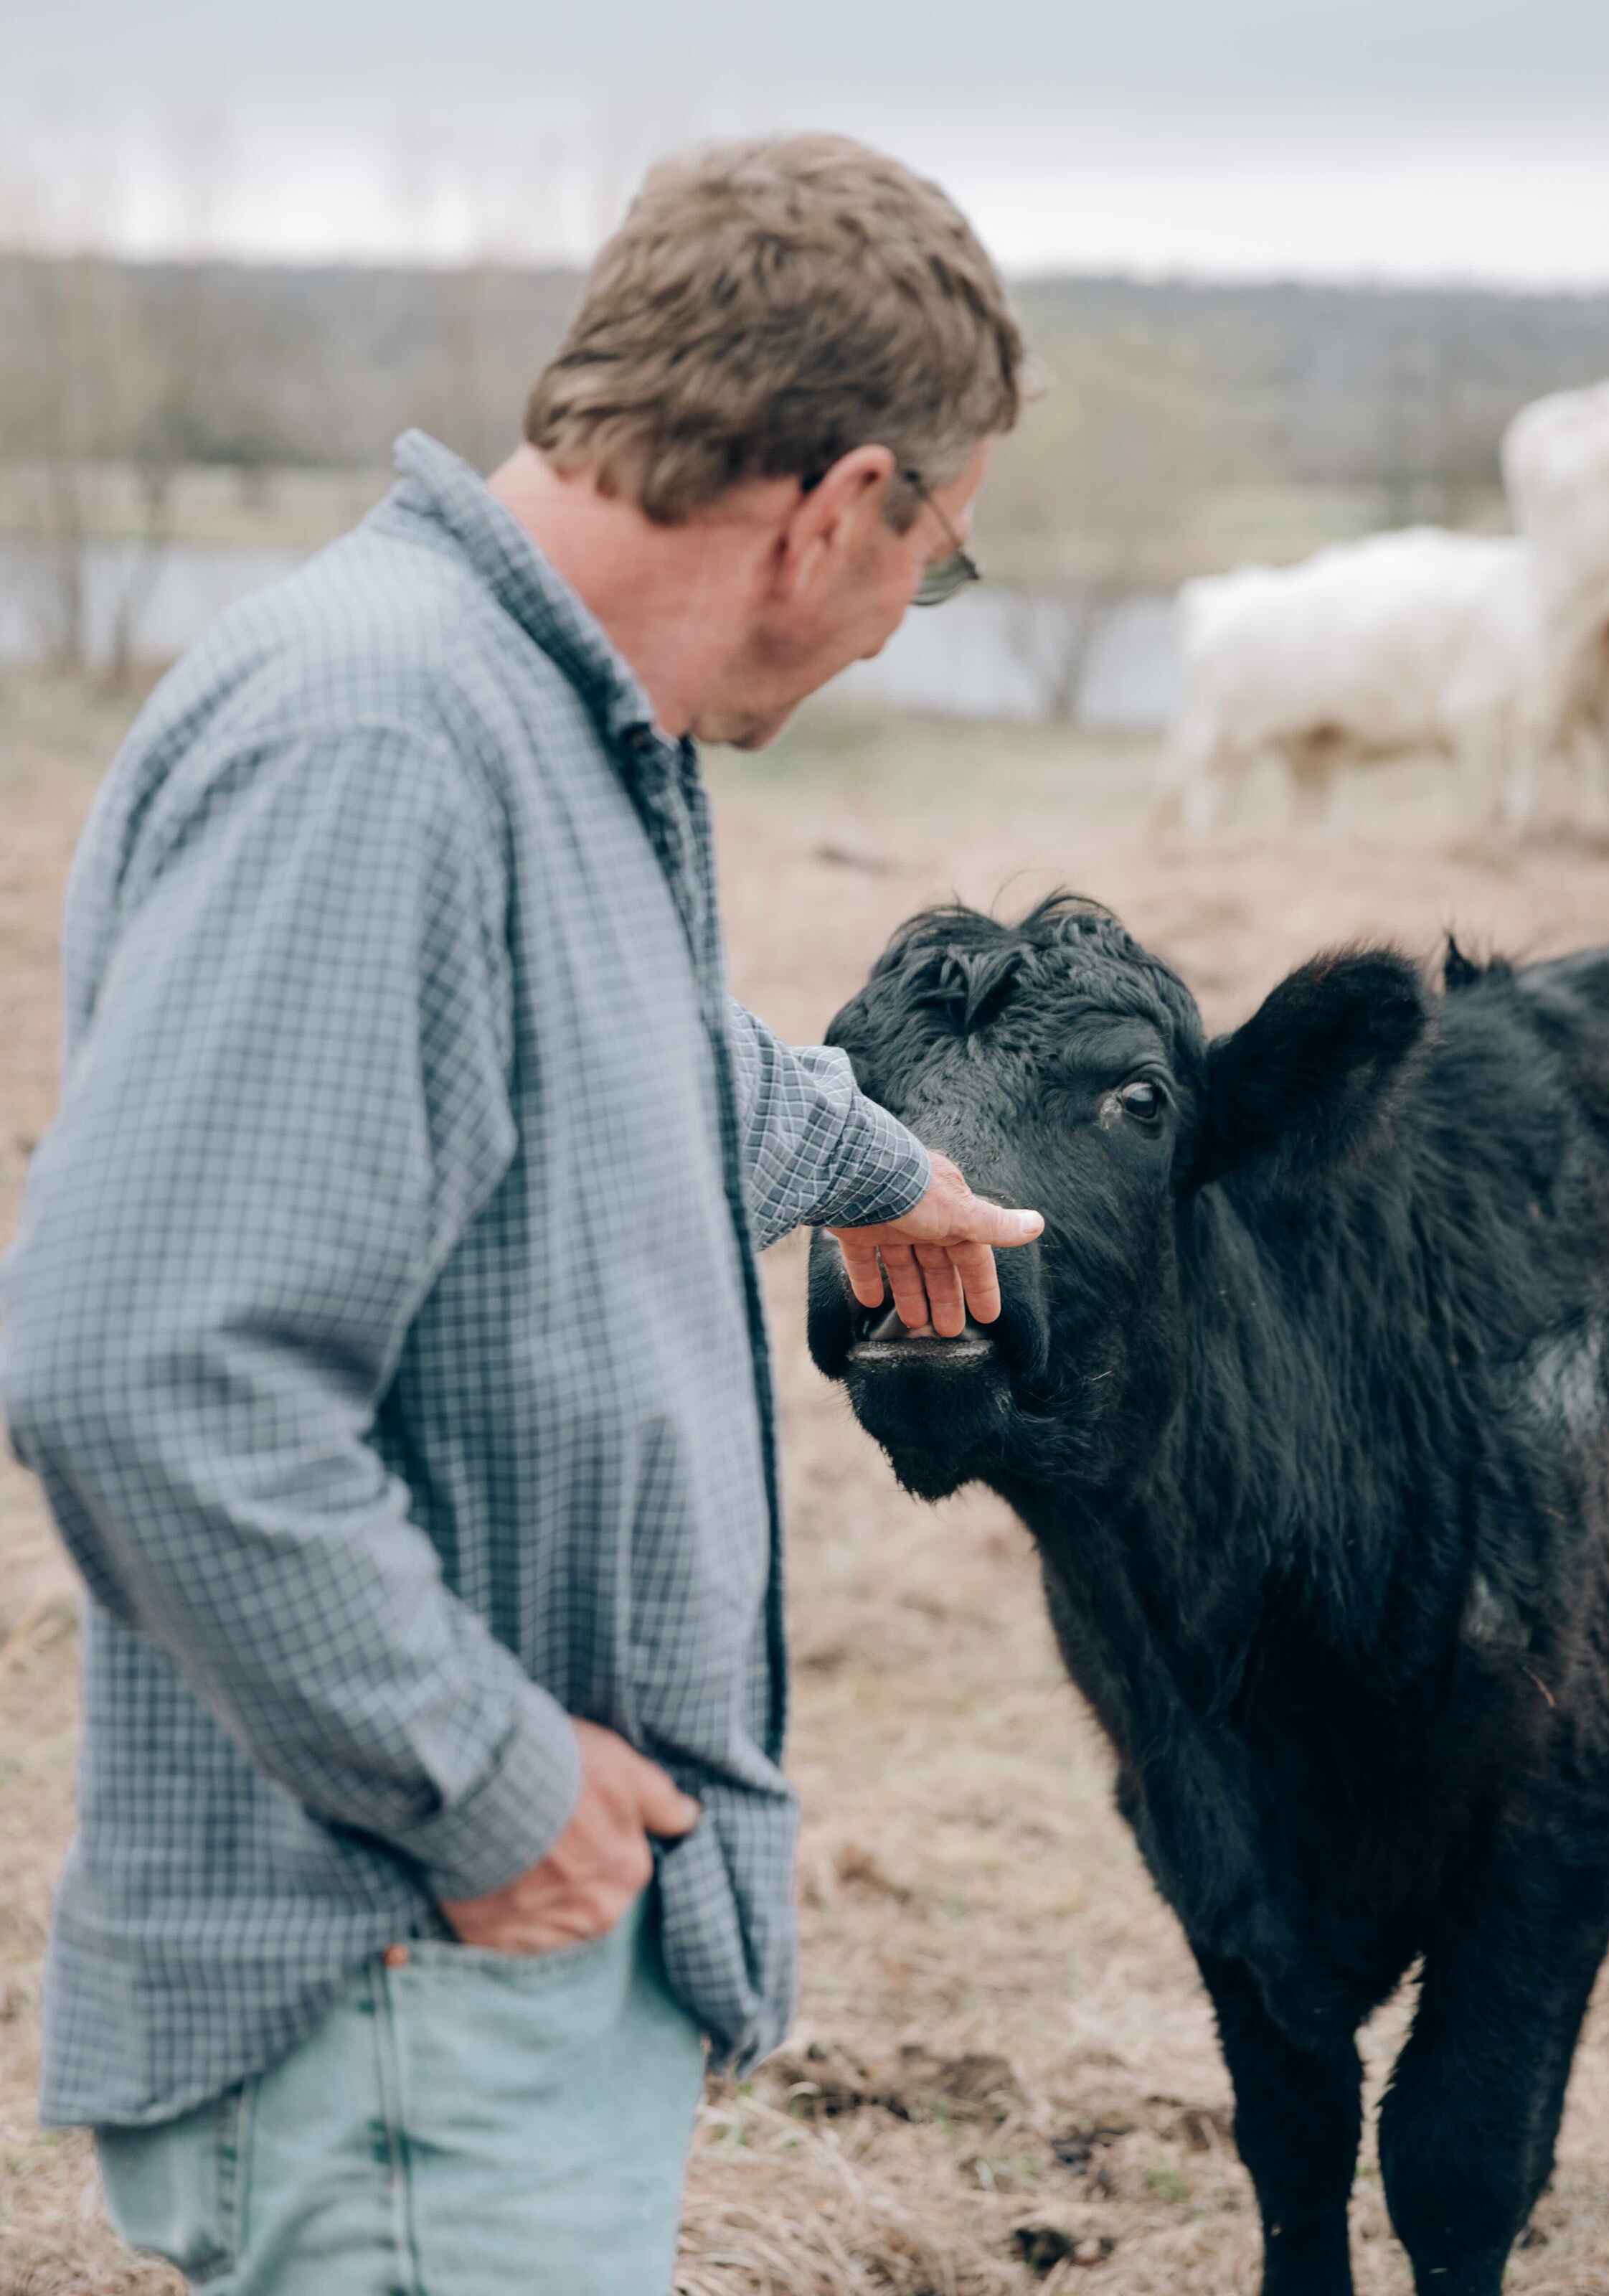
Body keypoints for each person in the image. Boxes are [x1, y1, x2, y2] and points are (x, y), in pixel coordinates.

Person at [0, 132, 1040, 2295]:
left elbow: (607, 1065)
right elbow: (138, 1368)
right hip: (406, 1989)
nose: (886, 632)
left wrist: (882, 1166)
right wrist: (484, 1792)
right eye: (930, 571)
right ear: (838, 507)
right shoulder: (384, 740)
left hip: (455, 2005)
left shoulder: (534, 720)